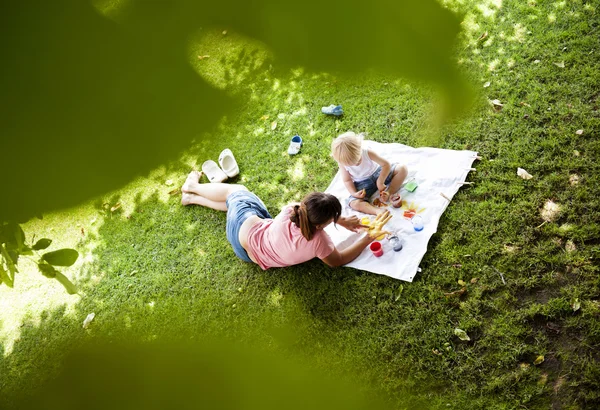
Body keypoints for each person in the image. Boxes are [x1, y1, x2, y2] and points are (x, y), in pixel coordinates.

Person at [180, 171, 390, 268]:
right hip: (248, 251)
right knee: (236, 192)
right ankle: (192, 188)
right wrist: (367, 237)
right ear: (321, 225)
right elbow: (338, 261)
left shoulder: (293, 210)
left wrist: (339, 220)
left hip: (244, 233)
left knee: (238, 197)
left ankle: (192, 196)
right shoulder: (320, 241)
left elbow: (308, 213)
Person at [331, 131, 408, 215]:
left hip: (378, 173)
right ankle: (376, 211)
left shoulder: (367, 153)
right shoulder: (342, 164)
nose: (355, 164)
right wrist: (354, 193)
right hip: (362, 183)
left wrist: (381, 180)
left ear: (360, 149)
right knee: (353, 203)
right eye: (351, 164)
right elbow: (347, 180)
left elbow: (386, 164)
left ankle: (389, 193)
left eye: (358, 160)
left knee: (402, 169)